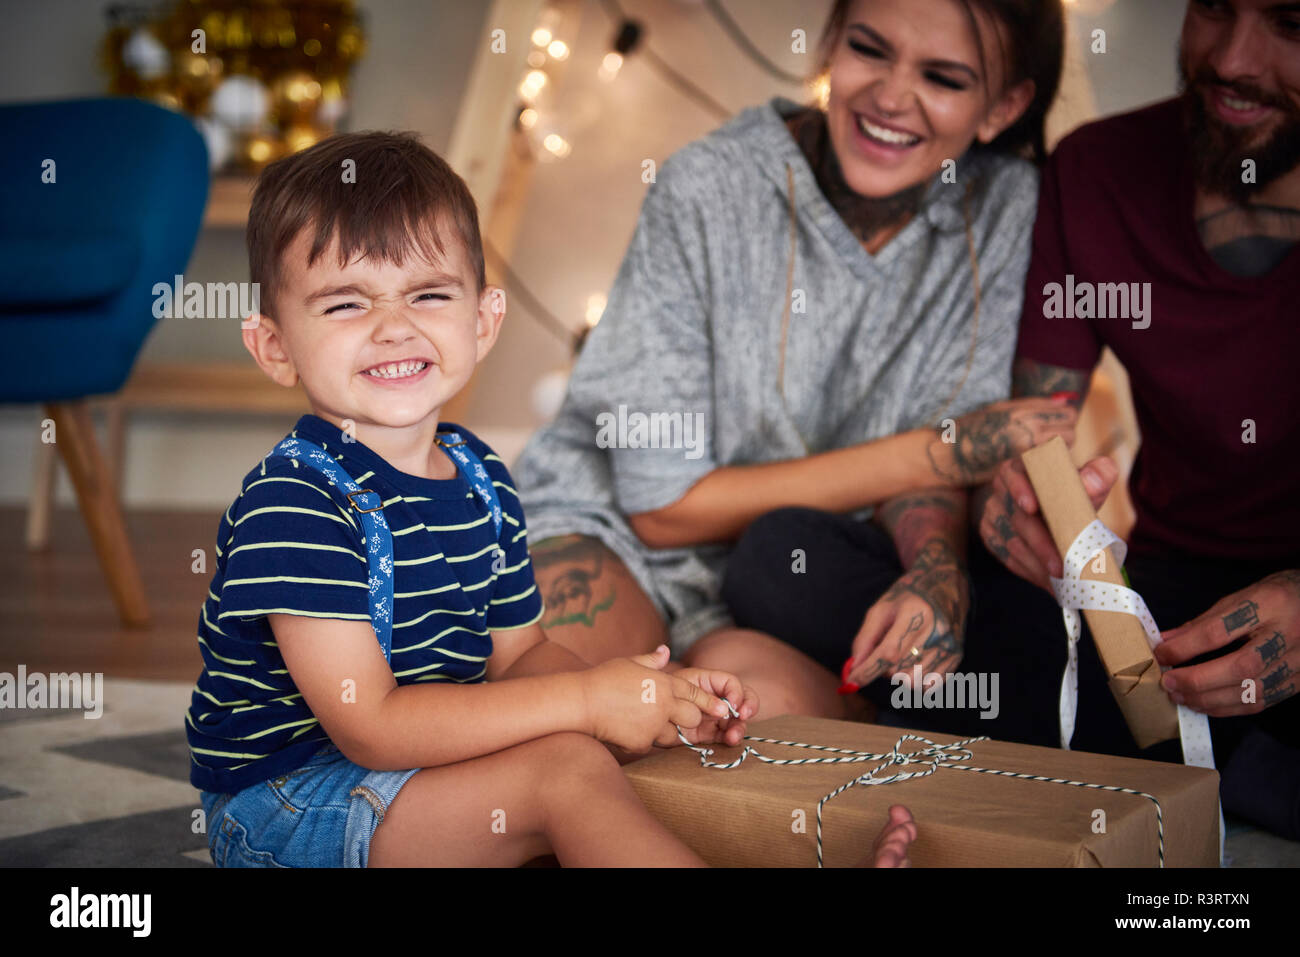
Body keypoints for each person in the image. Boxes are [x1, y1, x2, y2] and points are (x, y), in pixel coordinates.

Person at [183, 129, 915, 867]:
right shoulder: (298, 503)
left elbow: (522, 656)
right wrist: (587, 705)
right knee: (565, 772)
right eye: (345, 304)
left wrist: (651, 695)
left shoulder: (480, 473)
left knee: (613, 752)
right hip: (291, 804)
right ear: (273, 345)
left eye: (428, 294)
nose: (393, 326)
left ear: (482, 320)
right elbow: (372, 725)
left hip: (409, 776)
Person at [728, 0, 1300, 840]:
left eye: (1290, 21)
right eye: (1213, 7)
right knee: (779, 558)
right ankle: (1208, 756)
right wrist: (1016, 506)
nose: (1235, 58)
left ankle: (1186, 752)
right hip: (1158, 607)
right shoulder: (1099, 171)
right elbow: (1037, 429)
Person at [514, 0, 1073, 720]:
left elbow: (939, 452)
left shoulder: (1003, 210)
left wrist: (938, 567)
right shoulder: (708, 186)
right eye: (870, 49)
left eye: (944, 77)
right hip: (615, 531)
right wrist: (946, 450)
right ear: (829, 47)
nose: (893, 96)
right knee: (561, 714)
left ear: (1004, 106)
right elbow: (662, 508)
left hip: (779, 574)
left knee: (750, 749)